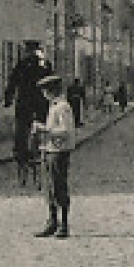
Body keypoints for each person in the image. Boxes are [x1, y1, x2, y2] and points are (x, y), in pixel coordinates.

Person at [34, 75, 76, 239]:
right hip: (50, 150)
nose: (43, 94)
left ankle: (64, 225)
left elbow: (65, 131)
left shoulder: (62, 107)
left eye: (45, 90)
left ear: (51, 91)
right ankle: (52, 222)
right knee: (49, 188)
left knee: (59, 187)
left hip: (59, 152)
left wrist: (44, 130)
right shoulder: (54, 106)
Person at [2, 48, 51, 187]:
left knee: (21, 134)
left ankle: (21, 159)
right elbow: (53, 84)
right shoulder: (45, 66)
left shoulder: (22, 65)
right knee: (42, 132)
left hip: (25, 105)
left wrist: (8, 99)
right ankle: (41, 158)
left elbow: (12, 82)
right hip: (41, 105)